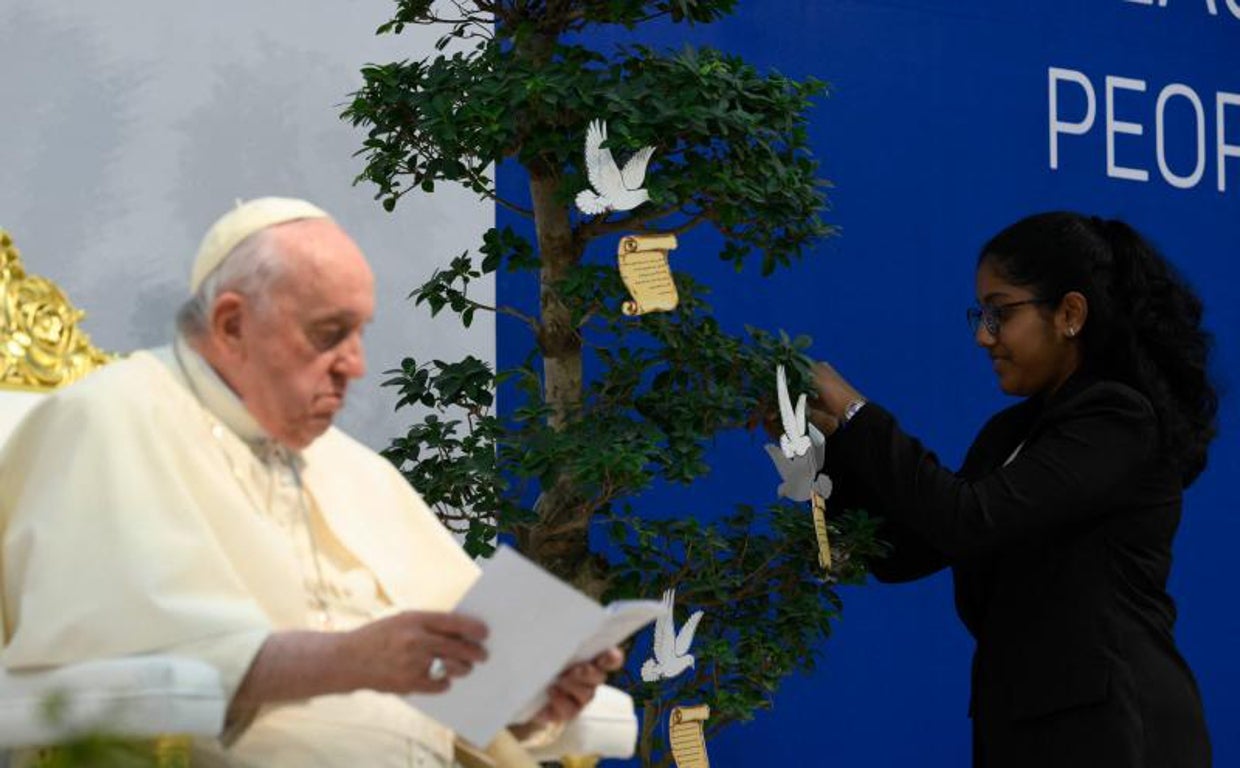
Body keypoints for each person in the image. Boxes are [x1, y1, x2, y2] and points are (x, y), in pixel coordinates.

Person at [0, 197, 623, 767]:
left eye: (359, 333)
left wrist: (526, 697)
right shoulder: (112, 416)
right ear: (232, 325)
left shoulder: (352, 465)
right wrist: (350, 662)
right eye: (329, 334)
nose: (356, 365)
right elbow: (108, 666)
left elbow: (444, 680)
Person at [806, 212, 1215, 767]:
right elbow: (906, 552)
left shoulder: (1116, 418)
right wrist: (826, 445)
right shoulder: (1010, 434)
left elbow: (967, 519)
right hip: (1021, 728)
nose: (982, 335)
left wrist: (857, 412)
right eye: (981, 314)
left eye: (1000, 312)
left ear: (1069, 314)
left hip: (1114, 731)